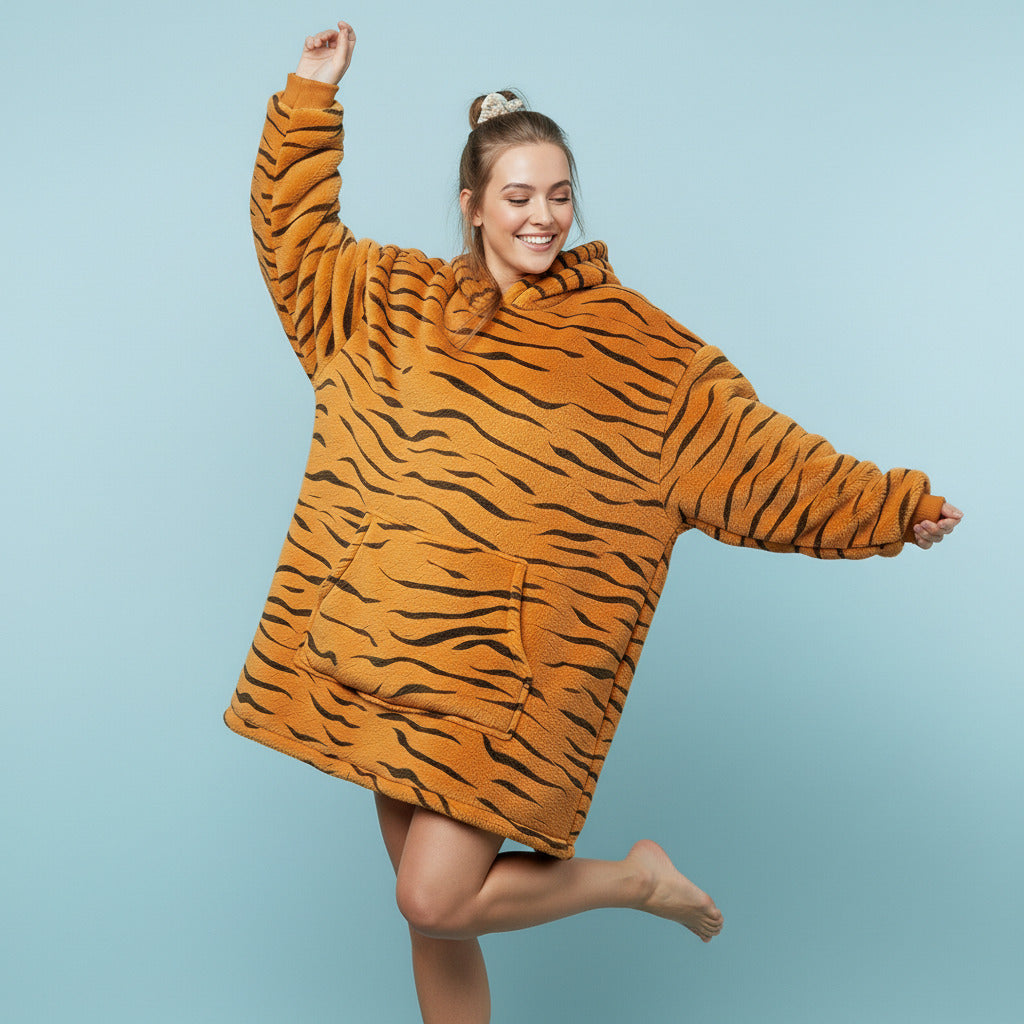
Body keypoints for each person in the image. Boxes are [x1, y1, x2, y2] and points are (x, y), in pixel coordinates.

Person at [225, 21, 963, 1024]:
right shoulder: (391, 303)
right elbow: (295, 241)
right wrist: (311, 95)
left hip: (502, 678)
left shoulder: (640, 353)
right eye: (519, 197)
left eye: (559, 195)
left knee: (434, 897)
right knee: (434, 923)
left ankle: (636, 880)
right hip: (386, 645)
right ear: (472, 204)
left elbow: (757, 454)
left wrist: (890, 506)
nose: (543, 217)